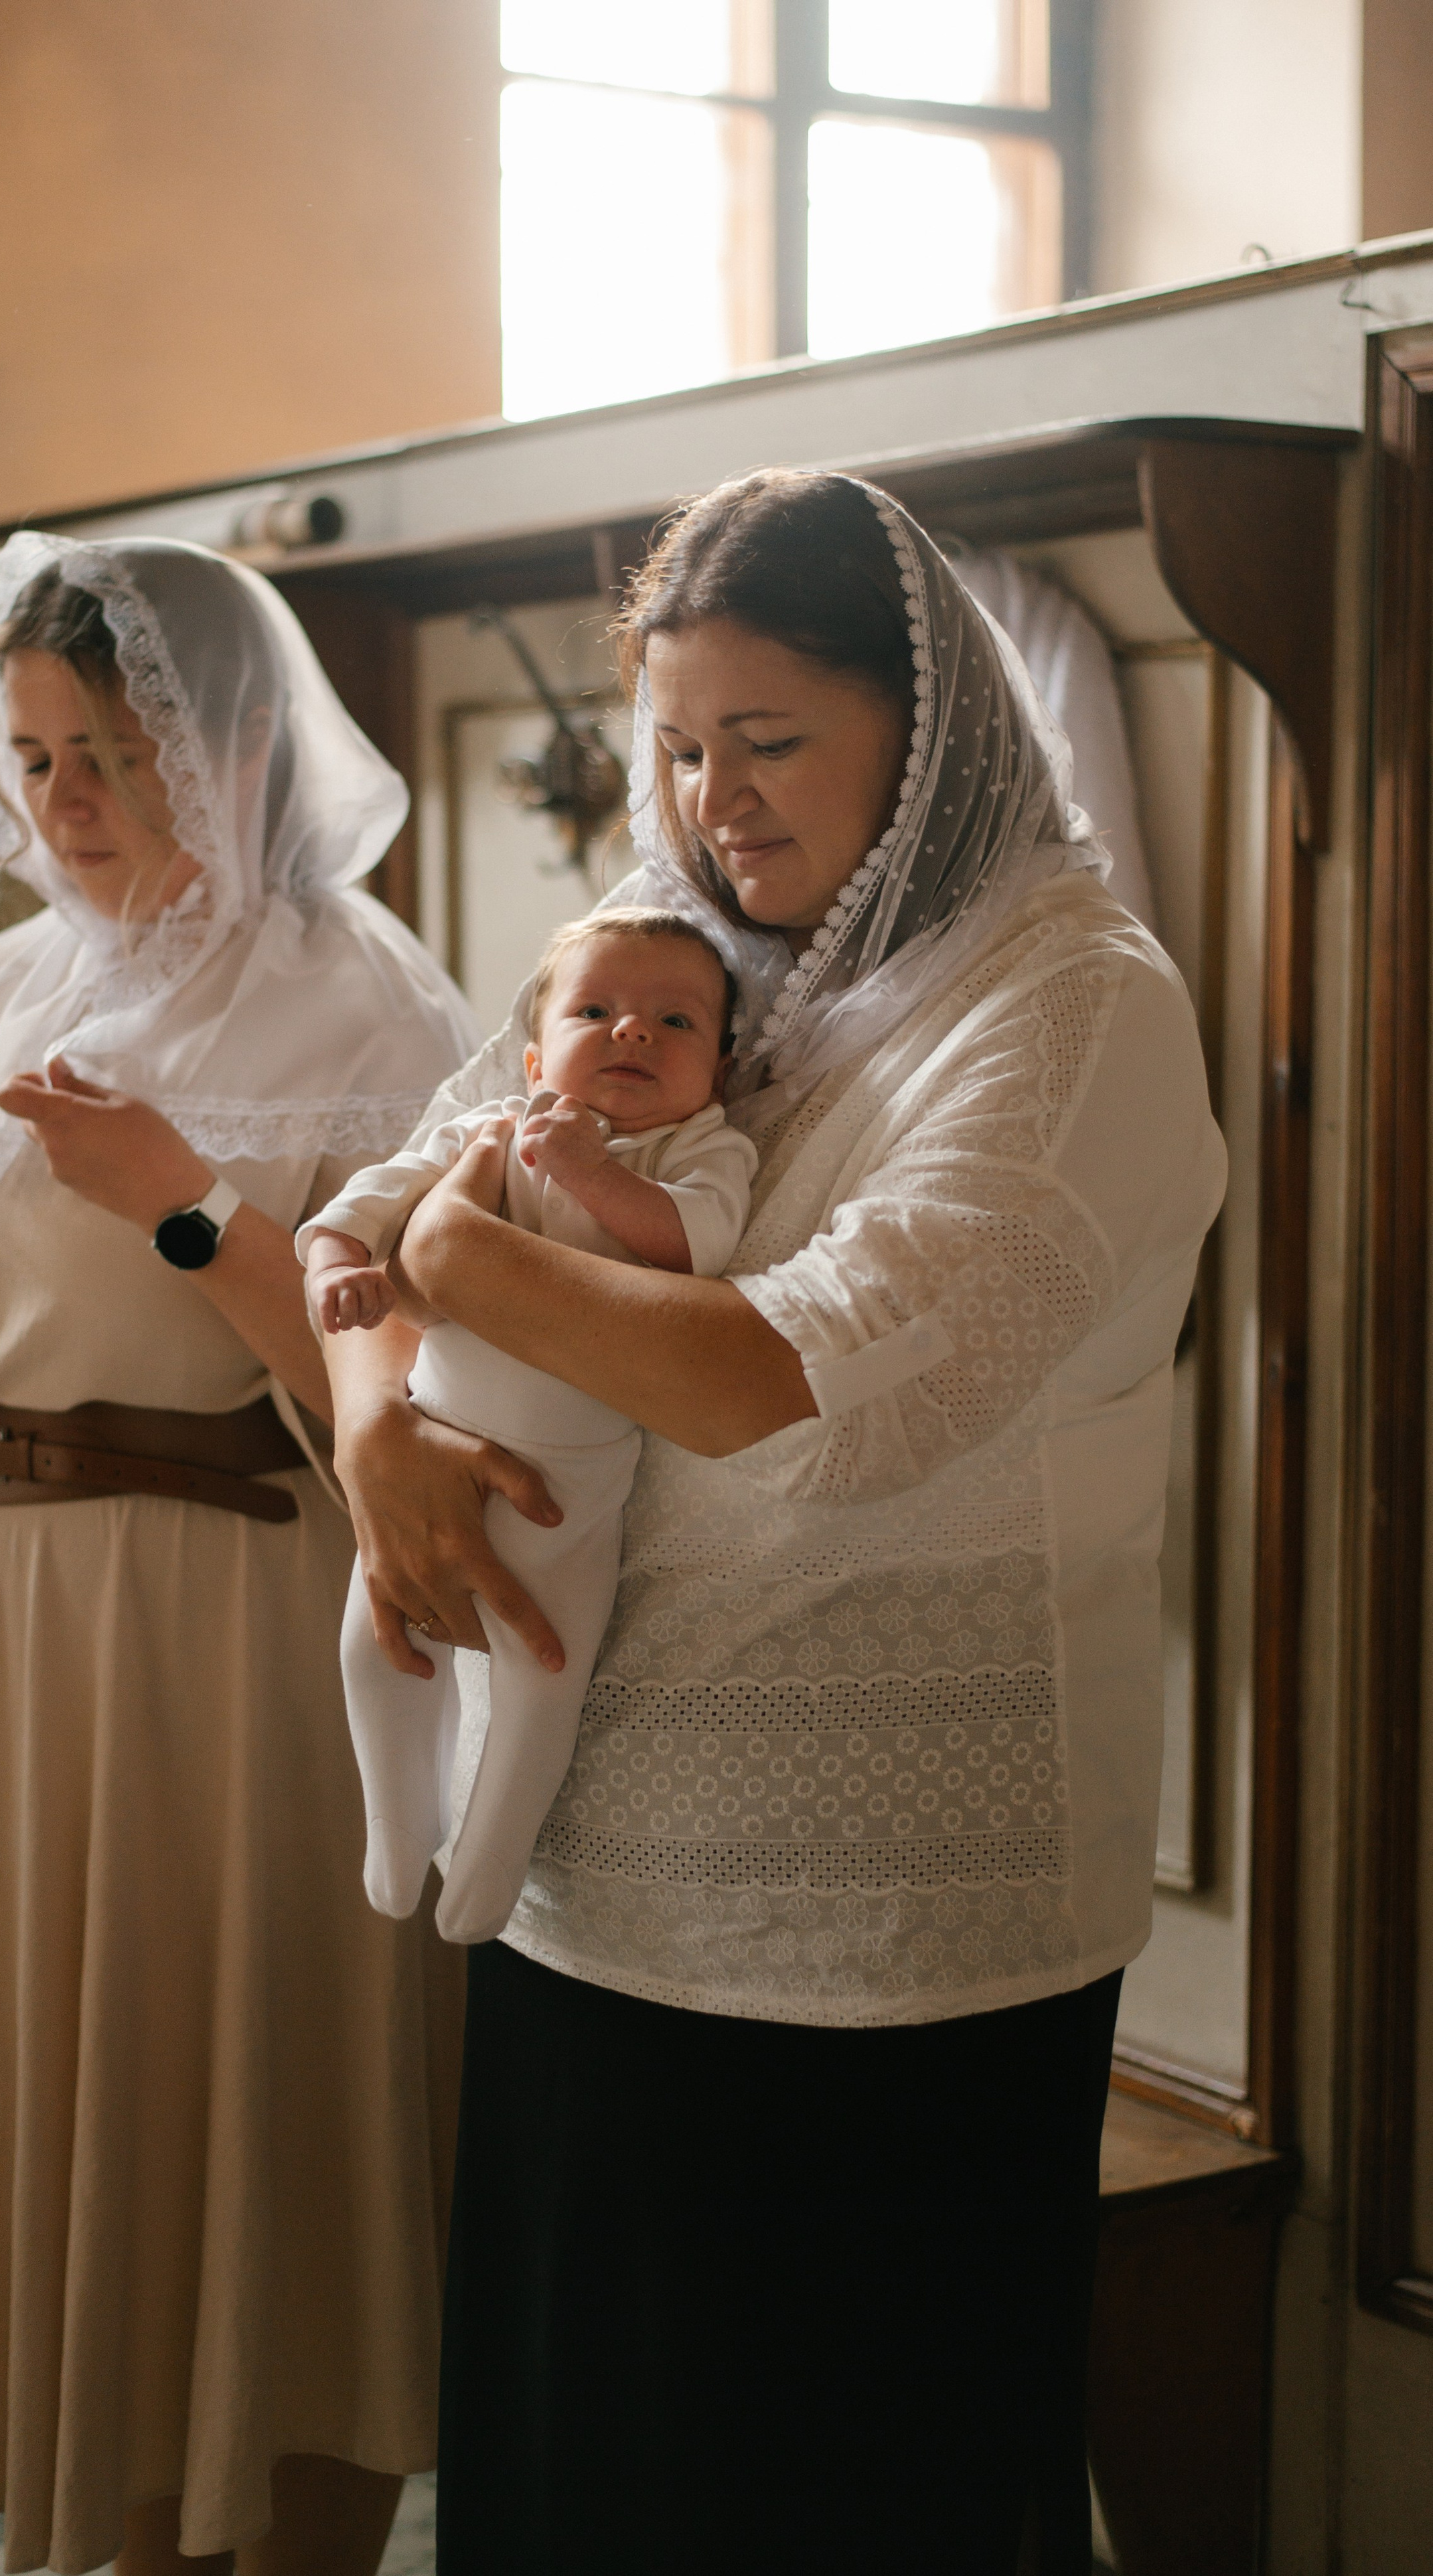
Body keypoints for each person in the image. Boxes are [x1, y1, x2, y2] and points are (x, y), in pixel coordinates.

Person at [321, 470, 1228, 2573]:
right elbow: (380, 1201)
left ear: (929, 728)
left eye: (768, 741)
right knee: (585, 2475)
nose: (709, 799)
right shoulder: (693, 949)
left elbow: (806, 1394)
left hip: (886, 1938)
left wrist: (457, 1273)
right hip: (589, 1875)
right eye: (676, 745)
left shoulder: (1073, 1002)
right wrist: (377, 1432)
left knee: (826, 2491)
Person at [0, 534, 477, 2576]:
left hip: (247, 1622)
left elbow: (407, 1390)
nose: (68, 806)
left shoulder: (367, 1003)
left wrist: (181, 1196)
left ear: (244, 743)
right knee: (70, 2126)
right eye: (34, 758)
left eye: (115, 753)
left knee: (262, 2104)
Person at [298, 907, 756, 1944]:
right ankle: (396, 1826)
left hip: (573, 1493)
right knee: (375, 1646)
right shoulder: (491, 1129)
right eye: (598, 1011)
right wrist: (338, 1267)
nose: (633, 1033)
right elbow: (360, 1203)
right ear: (538, 1052)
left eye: (674, 1022)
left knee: (541, 1677)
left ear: (720, 1071)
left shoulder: (702, 1149)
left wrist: (596, 1173)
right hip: (432, 1438)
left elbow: (701, 1247)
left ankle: (489, 1875)